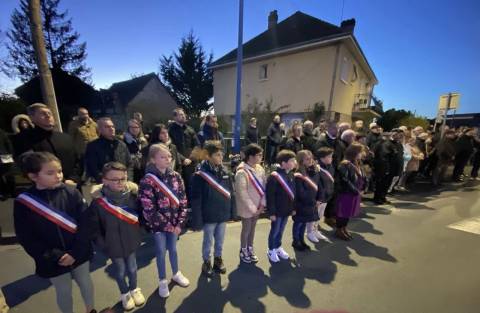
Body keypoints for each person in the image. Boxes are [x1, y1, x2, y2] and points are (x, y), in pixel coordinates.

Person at [14, 152, 95, 313]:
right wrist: (56, 256)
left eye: (59, 171)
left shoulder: (72, 192)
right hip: (52, 259)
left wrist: (75, 252)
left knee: (86, 283)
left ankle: (90, 309)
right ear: (33, 176)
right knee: (63, 291)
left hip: (79, 252)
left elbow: (87, 223)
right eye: (50, 173)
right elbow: (26, 237)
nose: (58, 176)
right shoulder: (24, 202)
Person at [89, 162, 145, 310]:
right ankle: (125, 293)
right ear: (105, 181)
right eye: (115, 179)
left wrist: (139, 235)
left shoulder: (133, 196)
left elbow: (141, 215)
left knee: (133, 268)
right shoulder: (98, 203)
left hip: (131, 241)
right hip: (112, 245)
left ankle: (134, 288)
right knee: (120, 271)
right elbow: (94, 229)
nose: (120, 182)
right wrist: (104, 245)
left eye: (123, 178)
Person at [138, 144, 189, 297]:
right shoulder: (147, 181)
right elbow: (149, 209)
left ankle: (176, 273)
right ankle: (162, 280)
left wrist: (179, 223)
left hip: (175, 224)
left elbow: (183, 200)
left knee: (173, 249)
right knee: (160, 251)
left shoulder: (176, 176)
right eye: (163, 157)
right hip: (159, 226)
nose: (168, 159)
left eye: (169, 156)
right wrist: (168, 226)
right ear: (153, 159)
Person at [191, 141, 235, 276]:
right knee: (208, 241)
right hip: (209, 215)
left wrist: (233, 212)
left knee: (220, 240)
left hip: (222, 214)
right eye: (217, 155)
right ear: (208, 156)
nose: (221, 157)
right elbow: (196, 200)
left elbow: (231, 193)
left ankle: (218, 260)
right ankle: (206, 262)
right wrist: (197, 220)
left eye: (222, 154)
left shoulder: (225, 172)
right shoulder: (199, 175)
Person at [13, 103, 80, 185]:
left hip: (73, 186)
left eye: (49, 113)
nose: (48, 116)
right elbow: (26, 166)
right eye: (43, 113)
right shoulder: (24, 139)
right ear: (32, 118)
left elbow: (78, 160)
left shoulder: (65, 137)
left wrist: (74, 178)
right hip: (46, 189)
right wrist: (62, 181)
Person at [235, 144, 266, 263]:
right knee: (246, 228)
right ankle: (243, 250)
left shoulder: (260, 168)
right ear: (250, 156)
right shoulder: (241, 171)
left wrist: (262, 204)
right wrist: (254, 209)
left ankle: (250, 248)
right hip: (247, 207)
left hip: (258, 206)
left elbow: (264, 187)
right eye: (259, 155)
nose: (261, 157)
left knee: (253, 229)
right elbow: (242, 193)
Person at [266, 149, 297, 263]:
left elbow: (294, 193)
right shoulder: (274, 176)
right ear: (283, 163)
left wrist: (293, 208)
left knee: (281, 230)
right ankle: (271, 249)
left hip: (287, 209)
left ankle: (278, 247)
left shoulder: (291, 175)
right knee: (275, 230)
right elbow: (270, 196)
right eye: (292, 160)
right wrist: (272, 212)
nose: (295, 162)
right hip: (277, 210)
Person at [85, 117, 131, 183]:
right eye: (107, 127)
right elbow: (93, 168)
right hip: (104, 185)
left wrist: (127, 178)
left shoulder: (121, 144)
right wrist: (106, 181)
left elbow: (129, 163)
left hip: (123, 183)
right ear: (100, 130)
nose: (111, 129)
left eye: (112, 126)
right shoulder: (93, 146)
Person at [335, 143, 365, 240]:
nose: (362, 154)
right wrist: (355, 191)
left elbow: (362, 176)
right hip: (347, 192)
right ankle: (339, 229)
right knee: (343, 212)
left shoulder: (357, 162)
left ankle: (344, 227)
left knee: (349, 212)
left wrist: (363, 188)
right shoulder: (345, 164)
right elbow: (345, 180)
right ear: (354, 153)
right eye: (360, 152)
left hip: (355, 192)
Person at [292, 150, 321, 251]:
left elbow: (316, 185)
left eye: (311, 158)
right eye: (307, 159)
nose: (310, 161)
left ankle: (301, 240)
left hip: (310, 202)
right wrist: (310, 200)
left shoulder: (311, 171)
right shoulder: (298, 174)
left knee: (304, 222)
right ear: (301, 161)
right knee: (298, 223)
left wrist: (316, 199)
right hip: (301, 203)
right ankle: (296, 241)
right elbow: (300, 192)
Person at [168, 108, 200, 196]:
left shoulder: (190, 130)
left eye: (183, 114)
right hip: (179, 164)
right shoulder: (170, 131)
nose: (183, 116)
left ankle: (191, 206)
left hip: (191, 163)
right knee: (180, 186)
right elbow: (172, 148)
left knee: (192, 185)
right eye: (180, 114)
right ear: (174, 117)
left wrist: (190, 158)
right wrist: (183, 159)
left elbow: (197, 146)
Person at [373, 129, 404, 204]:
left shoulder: (399, 144)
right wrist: (386, 169)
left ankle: (383, 197)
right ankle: (377, 198)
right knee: (381, 184)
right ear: (392, 134)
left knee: (387, 184)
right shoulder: (386, 144)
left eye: (399, 134)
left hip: (394, 168)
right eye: (395, 134)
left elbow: (400, 155)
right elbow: (384, 157)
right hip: (386, 168)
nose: (397, 136)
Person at [314, 147, 335, 241]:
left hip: (327, 195)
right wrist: (319, 198)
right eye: (329, 156)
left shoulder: (330, 166)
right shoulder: (317, 168)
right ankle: (311, 231)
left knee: (320, 214)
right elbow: (318, 185)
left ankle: (316, 229)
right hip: (319, 197)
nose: (331, 158)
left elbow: (330, 181)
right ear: (322, 158)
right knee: (315, 215)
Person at [0, 129, 15, 200]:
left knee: (9, 174)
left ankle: (11, 191)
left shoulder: (1, 132)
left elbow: (8, 142)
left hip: (5, 155)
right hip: (6, 154)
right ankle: (5, 192)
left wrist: (11, 153)